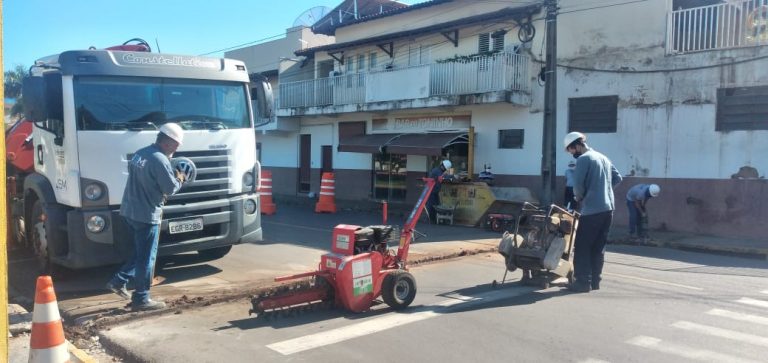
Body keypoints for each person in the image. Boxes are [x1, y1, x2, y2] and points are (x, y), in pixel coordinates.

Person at [106, 123, 187, 311]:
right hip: (146, 215)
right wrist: (180, 179)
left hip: (130, 211)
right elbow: (170, 188)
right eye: (176, 145)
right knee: (146, 258)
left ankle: (118, 281)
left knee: (140, 252)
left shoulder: (140, 154)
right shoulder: (160, 160)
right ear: (167, 142)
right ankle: (141, 298)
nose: (176, 148)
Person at [564, 131, 622, 293]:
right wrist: (603, 190)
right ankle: (595, 281)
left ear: (576, 145)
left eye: (571, 150)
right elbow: (618, 178)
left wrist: (579, 197)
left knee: (582, 246)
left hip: (592, 210)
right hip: (608, 209)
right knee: (598, 247)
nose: (572, 153)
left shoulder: (584, 159)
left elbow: (578, 186)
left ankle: (582, 283)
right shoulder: (603, 157)